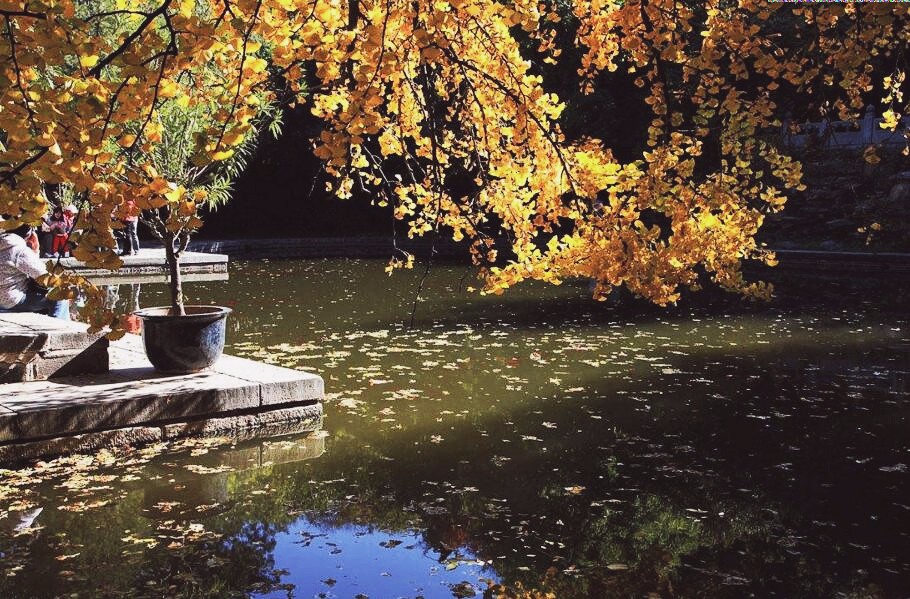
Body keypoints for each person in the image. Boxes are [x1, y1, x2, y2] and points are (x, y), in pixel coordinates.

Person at [0, 222, 70, 320]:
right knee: (61, 295)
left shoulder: (3, 243)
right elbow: (43, 276)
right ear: (29, 234)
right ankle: (59, 327)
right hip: (11, 300)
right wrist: (36, 249)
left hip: (3, 296)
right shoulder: (19, 250)